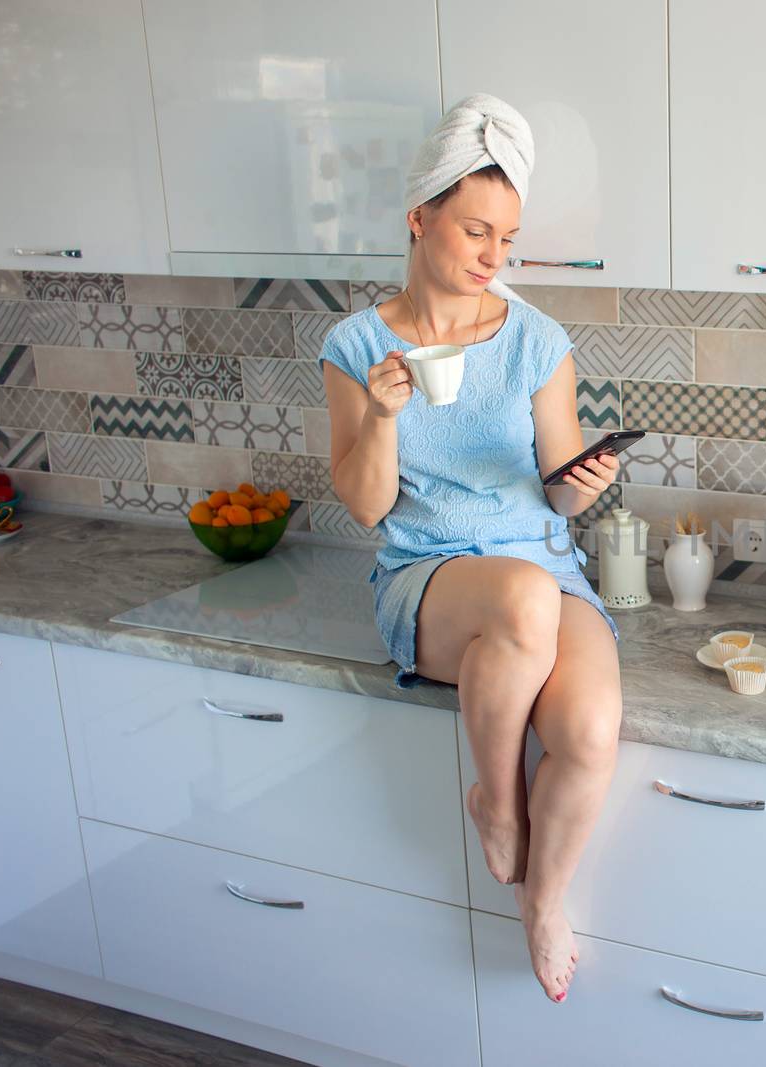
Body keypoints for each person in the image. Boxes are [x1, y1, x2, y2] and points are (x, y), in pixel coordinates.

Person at [317, 94, 621, 1005]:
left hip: (542, 565)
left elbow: (557, 485)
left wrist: (584, 484)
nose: (494, 257)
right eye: (475, 231)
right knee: (522, 600)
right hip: (427, 573)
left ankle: (544, 902)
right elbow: (367, 506)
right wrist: (380, 414)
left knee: (589, 728)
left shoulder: (537, 339)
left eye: (508, 239)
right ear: (420, 218)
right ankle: (497, 799)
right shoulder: (355, 344)